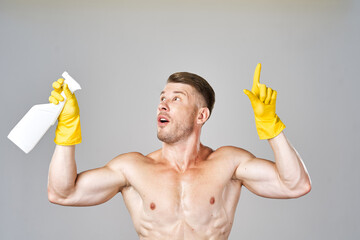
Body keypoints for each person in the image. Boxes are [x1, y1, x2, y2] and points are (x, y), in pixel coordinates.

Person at [47, 63, 311, 239]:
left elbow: (295, 185)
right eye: (162, 98)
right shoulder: (132, 168)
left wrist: (271, 128)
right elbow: (62, 192)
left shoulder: (228, 163)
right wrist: (67, 127)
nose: (163, 105)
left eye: (176, 99)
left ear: (201, 115)